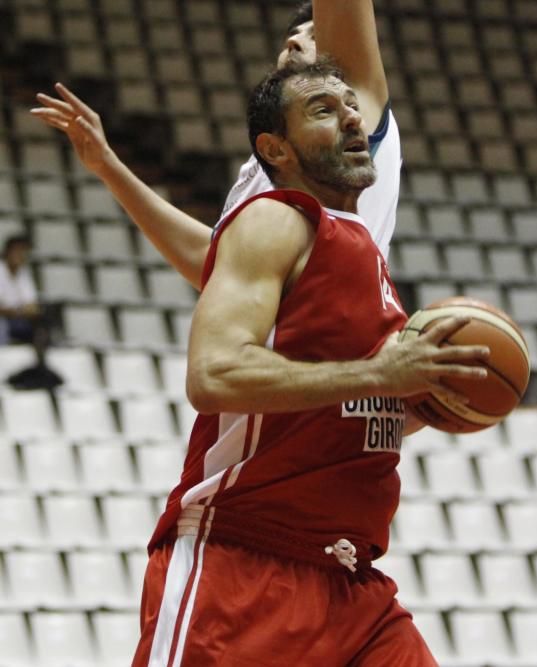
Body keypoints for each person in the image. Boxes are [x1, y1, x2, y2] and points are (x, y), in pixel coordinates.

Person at [131, 60, 487, 666]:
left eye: (352, 104)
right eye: (323, 109)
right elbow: (214, 375)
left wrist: (437, 396)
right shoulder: (276, 220)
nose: (351, 114)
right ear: (277, 148)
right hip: (243, 565)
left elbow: (352, 407)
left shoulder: (364, 253)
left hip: (352, 582)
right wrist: (381, 375)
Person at [31, 0, 399, 288]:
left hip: (336, 361)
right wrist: (107, 166)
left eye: (315, 34)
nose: (293, 40)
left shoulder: (354, 110)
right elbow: (210, 262)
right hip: (276, 366)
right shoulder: (267, 163)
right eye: (293, 34)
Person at [0, 235, 62, 390]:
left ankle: (40, 367)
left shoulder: (23, 274)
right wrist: (19, 310)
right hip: (4, 322)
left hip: (17, 321)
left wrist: (19, 311)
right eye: (18, 251)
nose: (21, 256)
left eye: (24, 252)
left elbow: (31, 305)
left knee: (43, 322)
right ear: (8, 252)